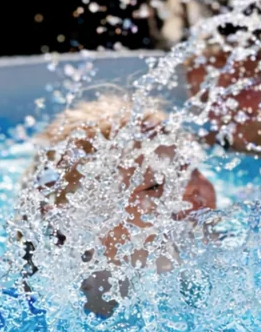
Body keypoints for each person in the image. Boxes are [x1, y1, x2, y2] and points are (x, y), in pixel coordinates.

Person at [15, 94, 217, 318]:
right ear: (76, 213)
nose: (192, 189)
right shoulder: (59, 289)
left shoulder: (201, 243)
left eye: (190, 169)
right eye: (155, 186)